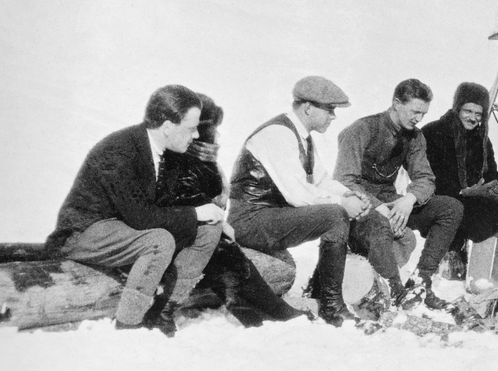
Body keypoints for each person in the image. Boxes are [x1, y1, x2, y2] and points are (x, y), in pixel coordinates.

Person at [46, 84, 223, 336]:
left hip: (125, 227)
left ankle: (163, 310)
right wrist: (195, 214)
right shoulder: (119, 150)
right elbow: (142, 217)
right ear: (168, 126)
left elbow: (170, 203)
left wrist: (207, 214)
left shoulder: (170, 152)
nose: (196, 136)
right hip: (84, 231)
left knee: (208, 231)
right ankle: (129, 325)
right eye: (191, 128)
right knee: (158, 241)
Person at [227, 76, 375, 328]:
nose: (333, 117)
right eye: (329, 109)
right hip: (249, 221)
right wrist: (342, 204)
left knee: (339, 211)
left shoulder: (302, 136)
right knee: (335, 215)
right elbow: (297, 194)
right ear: (308, 107)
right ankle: (331, 305)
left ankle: (322, 292)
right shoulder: (278, 133)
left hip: (267, 218)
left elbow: (321, 180)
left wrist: (350, 196)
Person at [157, 94, 308, 327]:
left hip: (192, 235)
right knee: (219, 246)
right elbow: (183, 205)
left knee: (221, 246)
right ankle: (267, 308)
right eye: (210, 129)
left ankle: (256, 309)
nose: (215, 135)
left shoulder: (202, 161)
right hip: (168, 236)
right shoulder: (177, 160)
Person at [334, 79, 464, 312]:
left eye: (423, 113)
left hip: (392, 203)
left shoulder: (414, 137)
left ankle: (421, 282)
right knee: (381, 223)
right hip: (359, 208)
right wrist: (377, 206)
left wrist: (409, 199)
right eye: (415, 111)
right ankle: (395, 290)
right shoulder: (362, 130)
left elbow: (425, 179)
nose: (418, 119)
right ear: (396, 103)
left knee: (451, 207)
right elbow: (344, 179)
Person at [421, 82, 498, 291]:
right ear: (457, 108)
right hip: (445, 198)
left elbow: (490, 172)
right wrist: (466, 191)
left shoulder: (481, 139)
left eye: (479, 114)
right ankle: (478, 283)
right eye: (468, 111)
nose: (473, 118)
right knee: (485, 221)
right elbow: (429, 178)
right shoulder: (433, 133)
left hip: (476, 197)